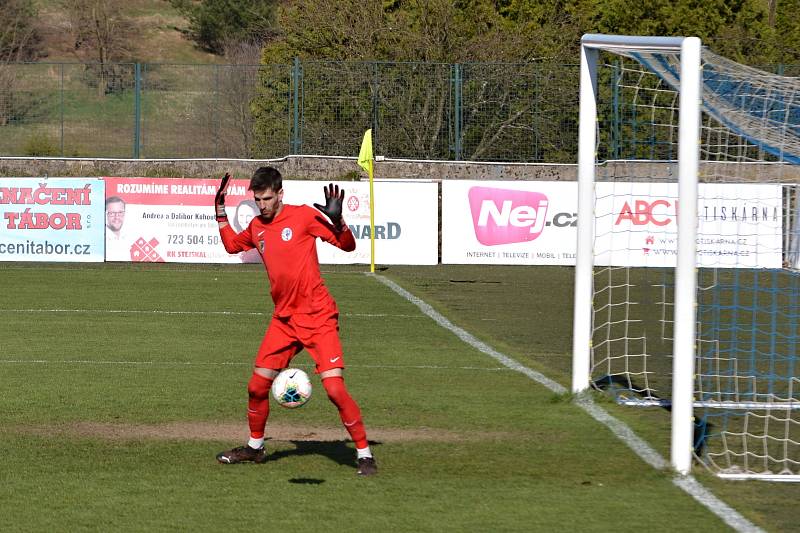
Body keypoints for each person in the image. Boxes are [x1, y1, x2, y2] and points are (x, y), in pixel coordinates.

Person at [213, 166, 377, 476]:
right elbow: (232, 245)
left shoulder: (303, 216)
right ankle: (255, 448)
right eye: (257, 199)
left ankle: (365, 455)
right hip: (284, 321)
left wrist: (338, 221)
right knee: (256, 386)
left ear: (280, 194)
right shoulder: (256, 226)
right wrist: (220, 211)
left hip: (318, 317)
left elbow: (348, 245)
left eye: (267, 198)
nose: (261, 205)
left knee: (334, 390)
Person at [105, 196, 130, 261]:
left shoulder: (127, 236)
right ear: (105, 214)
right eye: (112, 213)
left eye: (120, 212)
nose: (116, 217)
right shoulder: (102, 239)